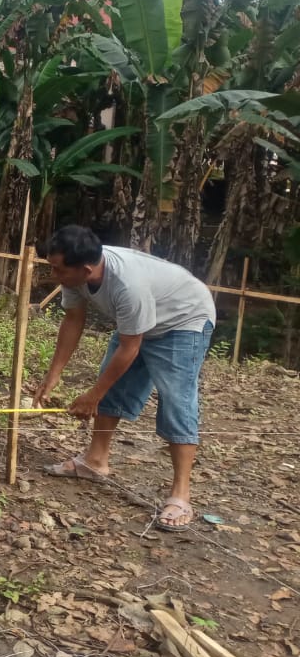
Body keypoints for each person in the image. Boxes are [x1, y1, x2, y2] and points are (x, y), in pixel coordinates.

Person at [33, 225, 216, 531]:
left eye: (57, 269)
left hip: (184, 320)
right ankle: (95, 461)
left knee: (176, 401)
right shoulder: (73, 274)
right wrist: (53, 376)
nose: (54, 275)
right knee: (113, 390)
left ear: (86, 269)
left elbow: (131, 347)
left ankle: (181, 495)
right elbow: (73, 320)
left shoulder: (127, 285)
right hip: (141, 322)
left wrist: (93, 395)